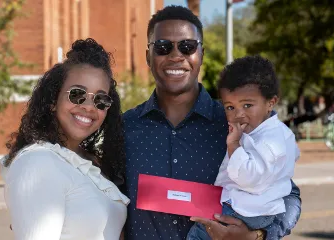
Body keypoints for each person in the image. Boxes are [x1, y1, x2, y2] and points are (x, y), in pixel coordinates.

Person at [123, 5, 301, 240]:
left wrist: (256, 235)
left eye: (187, 47)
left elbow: (289, 197)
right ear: (148, 56)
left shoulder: (238, 123)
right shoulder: (124, 127)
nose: (176, 56)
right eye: (163, 47)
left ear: (201, 54)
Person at [0, 38, 129, 240]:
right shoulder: (37, 163)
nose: (88, 106)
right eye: (77, 94)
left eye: (100, 100)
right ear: (53, 101)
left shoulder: (91, 163)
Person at [187, 56, 300, 240]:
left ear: (271, 103)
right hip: (255, 208)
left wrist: (233, 145)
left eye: (248, 105)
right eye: (230, 107)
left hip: (245, 210)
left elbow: (249, 177)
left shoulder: (269, 140)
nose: (238, 114)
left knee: (199, 234)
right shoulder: (276, 133)